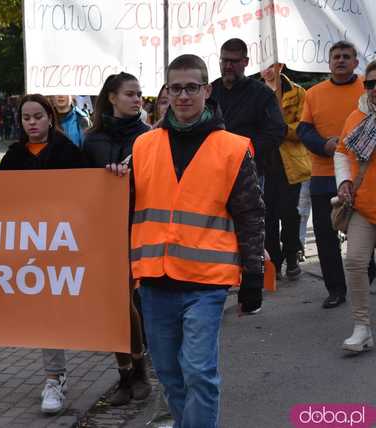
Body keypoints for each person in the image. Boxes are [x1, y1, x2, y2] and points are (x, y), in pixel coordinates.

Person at [109, 54, 265, 427]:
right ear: (166, 91)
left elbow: (250, 213)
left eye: (191, 87)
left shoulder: (232, 147)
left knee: (198, 373)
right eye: (175, 88)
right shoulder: (144, 146)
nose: (182, 96)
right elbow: (123, 207)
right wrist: (113, 180)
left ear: (206, 91)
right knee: (170, 375)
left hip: (206, 283)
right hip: (155, 282)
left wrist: (254, 276)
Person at [0, 94, 87, 414]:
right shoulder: (13, 156)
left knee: (53, 310)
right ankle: (54, 375)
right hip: (27, 248)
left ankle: (54, 376)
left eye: (38, 116)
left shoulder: (68, 152)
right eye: (26, 118)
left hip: (63, 246)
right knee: (44, 311)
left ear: (50, 117)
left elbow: (90, 192)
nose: (32, 122)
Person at [83, 72, 152, 406]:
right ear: (111, 97)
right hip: (102, 230)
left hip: (136, 226)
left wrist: (131, 176)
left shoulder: (148, 137)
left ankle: (139, 371)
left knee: (124, 302)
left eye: (140, 94)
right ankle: (125, 374)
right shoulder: (91, 139)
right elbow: (79, 186)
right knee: (112, 305)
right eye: (130, 94)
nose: (137, 99)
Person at [297, 40, 364, 308]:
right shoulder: (313, 93)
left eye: (346, 56)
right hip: (323, 175)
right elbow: (304, 130)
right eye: (336, 56)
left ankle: (366, 271)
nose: (340, 60)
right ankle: (335, 289)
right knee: (325, 236)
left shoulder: (367, 88)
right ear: (329, 62)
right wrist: (324, 146)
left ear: (355, 62)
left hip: (361, 176)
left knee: (365, 230)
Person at [335, 59, 376, 352]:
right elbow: (340, 152)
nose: (374, 89)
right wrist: (343, 182)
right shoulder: (356, 116)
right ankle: (362, 328)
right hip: (363, 206)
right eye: (370, 84)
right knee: (355, 263)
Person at [209, 38, 286, 185]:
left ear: (245, 61)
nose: (228, 66)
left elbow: (277, 131)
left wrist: (245, 150)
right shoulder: (209, 92)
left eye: (234, 61)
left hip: (249, 173)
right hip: (213, 170)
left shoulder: (262, 94)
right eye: (224, 61)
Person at [260, 63, 311, 280]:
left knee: (289, 212)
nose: (266, 70)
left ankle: (291, 255)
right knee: (267, 216)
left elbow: (304, 127)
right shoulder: (256, 93)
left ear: (279, 65)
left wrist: (281, 129)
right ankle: (274, 261)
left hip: (290, 163)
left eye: (270, 65)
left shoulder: (297, 92)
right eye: (263, 66)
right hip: (265, 163)